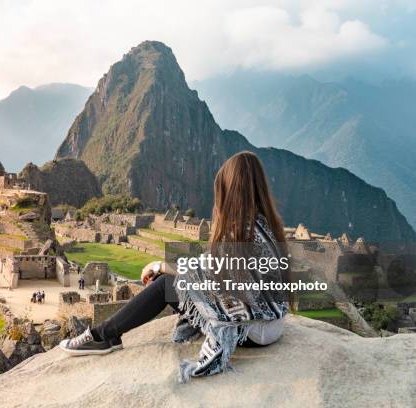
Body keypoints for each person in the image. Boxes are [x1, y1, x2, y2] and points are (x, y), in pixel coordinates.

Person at [59, 151, 292, 382]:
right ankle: (106, 334)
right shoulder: (265, 225)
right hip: (272, 324)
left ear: (231, 191)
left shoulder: (242, 232)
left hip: (254, 330)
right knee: (173, 284)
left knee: (165, 286)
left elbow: (207, 272)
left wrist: (160, 265)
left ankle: (104, 335)